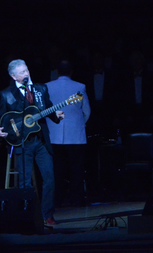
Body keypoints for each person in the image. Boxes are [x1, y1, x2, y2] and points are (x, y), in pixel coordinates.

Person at [0, 59, 64, 226]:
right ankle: (28, 214)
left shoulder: (40, 89)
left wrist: (56, 116)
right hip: (21, 142)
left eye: (26, 70)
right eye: (22, 72)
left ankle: (47, 214)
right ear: (13, 76)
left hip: (40, 140)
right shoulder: (6, 94)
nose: (26, 74)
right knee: (25, 182)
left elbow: (48, 107)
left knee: (49, 177)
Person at [46, 60, 91, 207]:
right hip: (75, 135)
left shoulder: (47, 86)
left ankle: (57, 199)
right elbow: (87, 111)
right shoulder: (80, 86)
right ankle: (76, 199)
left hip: (54, 135)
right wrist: (79, 123)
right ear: (71, 72)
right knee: (76, 170)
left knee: (57, 170)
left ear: (57, 72)